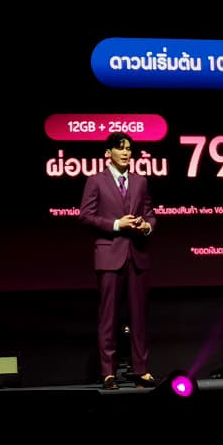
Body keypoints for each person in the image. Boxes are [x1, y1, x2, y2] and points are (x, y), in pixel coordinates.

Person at [79, 130, 157, 389]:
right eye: (120, 148)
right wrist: (116, 224)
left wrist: (146, 226)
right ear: (108, 153)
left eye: (128, 149)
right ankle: (108, 373)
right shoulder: (95, 181)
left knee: (139, 317)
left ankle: (141, 370)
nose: (125, 153)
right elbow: (85, 216)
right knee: (109, 318)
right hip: (110, 254)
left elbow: (150, 213)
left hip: (137, 255)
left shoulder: (140, 181)